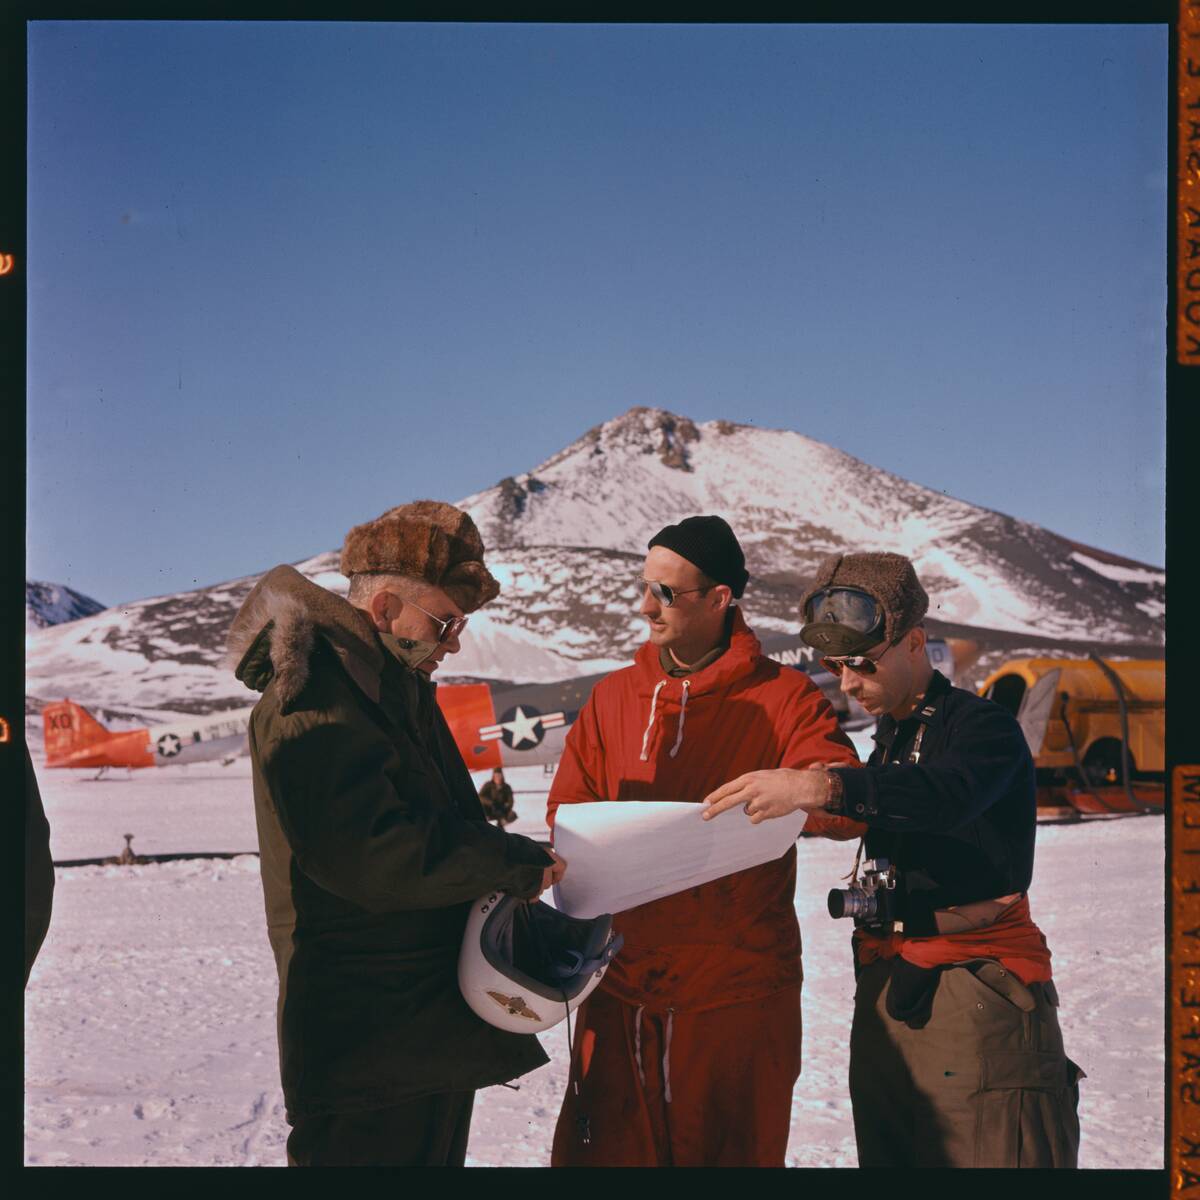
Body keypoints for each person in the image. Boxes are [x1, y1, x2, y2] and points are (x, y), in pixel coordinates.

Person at [704, 551, 1083, 1168]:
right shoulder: (890, 743)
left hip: (977, 998)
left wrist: (824, 787)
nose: (848, 684)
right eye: (835, 666)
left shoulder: (981, 728)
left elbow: (945, 795)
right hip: (891, 992)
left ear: (914, 643)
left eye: (861, 664)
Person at [225, 500, 566, 1167]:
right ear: (383, 609)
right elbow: (371, 856)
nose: (455, 642)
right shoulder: (315, 699)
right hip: (363, 1049)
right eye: (446, 622)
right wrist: (507, 862)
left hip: (418, 1033)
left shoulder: (391, 687)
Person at [546, 515, 862, 1167]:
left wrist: (810, 787)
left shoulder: (786, 699)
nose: (645, 606)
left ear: (721, 599)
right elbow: (566, 815)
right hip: (622, 986)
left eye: (667, 593)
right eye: (644, 587)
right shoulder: (612, 699)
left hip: (736, 994)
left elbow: (847, 799)